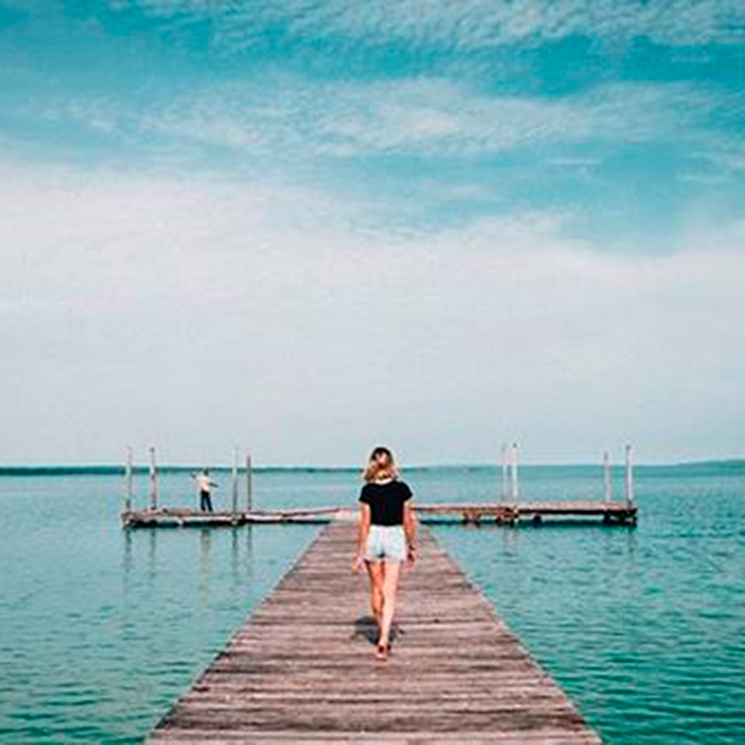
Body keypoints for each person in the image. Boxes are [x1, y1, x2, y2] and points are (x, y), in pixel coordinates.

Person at [352, 446, 417, 662]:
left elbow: (364, 523)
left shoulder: (367, 491)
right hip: (395, 536)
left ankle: (382, 630)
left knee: (376, 589)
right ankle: (384, 638)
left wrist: (360, 552)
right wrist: (411, 545)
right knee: (390, 592)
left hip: (374, 536)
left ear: (371, 463)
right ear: (391, 464)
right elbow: (408, 520)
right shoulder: (402, 489)